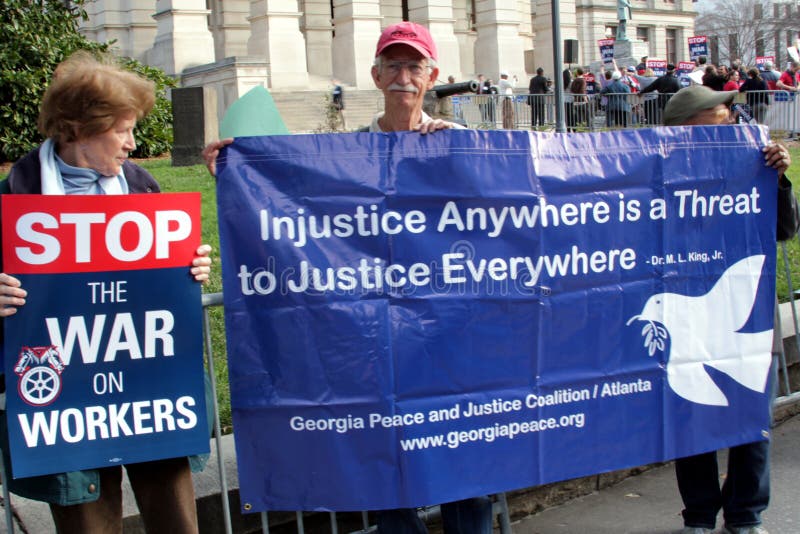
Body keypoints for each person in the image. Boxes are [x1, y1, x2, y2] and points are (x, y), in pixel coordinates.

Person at [203, 22, 490, 534]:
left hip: (450, 332)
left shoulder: (458, 142)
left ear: (433, 76)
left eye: (414, 66)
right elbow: (288, 202)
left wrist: (464, 155)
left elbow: (506, 211)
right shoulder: (342, 152)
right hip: (371, 334)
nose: (404, 76)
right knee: (380, 453)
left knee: (461, 453)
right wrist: (234, 171)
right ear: (376, 75)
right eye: (394, 66)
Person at [0, 51, 213, 534]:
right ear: (76, 128)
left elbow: (164, 283)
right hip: (63, 405)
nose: (133, 144)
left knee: (175, 517)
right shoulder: (14, 198)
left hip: (148, 392)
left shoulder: (142, 189)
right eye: (123, 130)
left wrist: (189, 268)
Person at [662, 85, 799, 534]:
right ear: (686, 128)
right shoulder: (654, 170)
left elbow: (783, 230)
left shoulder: (753, 163)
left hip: (744, 309)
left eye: (731, 120)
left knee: (748, 414)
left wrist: (778, 180)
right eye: (720, 121)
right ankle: (699, 514)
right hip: (685, 312)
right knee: (691, 411)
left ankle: (745, 514)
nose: (732, 127)